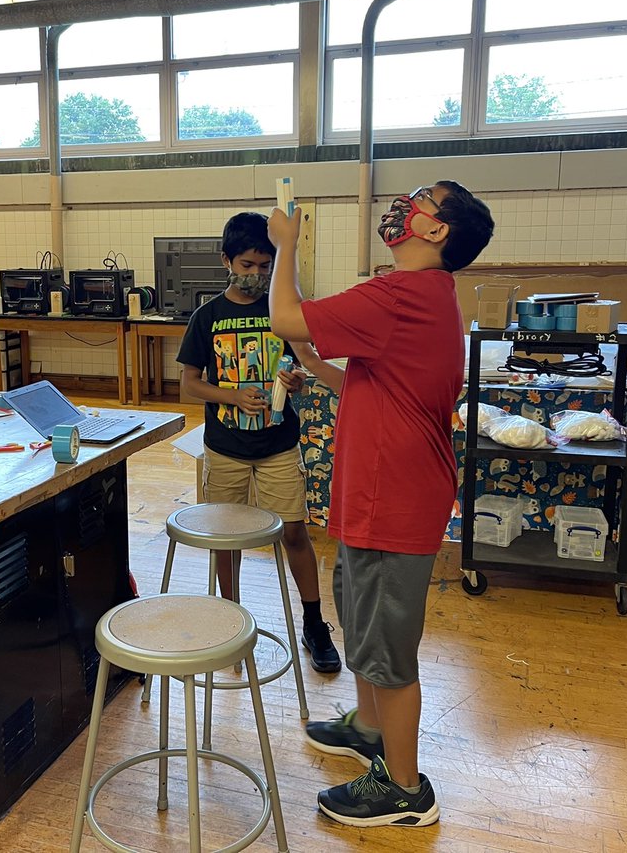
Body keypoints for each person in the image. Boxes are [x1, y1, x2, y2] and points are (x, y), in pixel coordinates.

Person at [267, 182, 495, 827]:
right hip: (377, 491)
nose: (405, 203)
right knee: (362, 617)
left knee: (388, 647)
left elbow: (285, 315)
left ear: (438, 230)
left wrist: (286, 246)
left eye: (423, 198)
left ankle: (405, 790)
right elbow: (373, 385)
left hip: (393, 497)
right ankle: (369, 728)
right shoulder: (426, 296)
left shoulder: (402, 293)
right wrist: (311, 361)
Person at [177, 211, 342, 673]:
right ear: (226, 261)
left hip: (278, 447)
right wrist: (231, 395)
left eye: (265, 266)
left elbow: (302, 368)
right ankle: (230, 618)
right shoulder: (207, 317)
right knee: (226, 540)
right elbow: (190, 383)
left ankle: (314, 622)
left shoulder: (282, 314)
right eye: (247, 265)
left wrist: (296, 381)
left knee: (293, 532)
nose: (256, 274)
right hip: (225, 448)